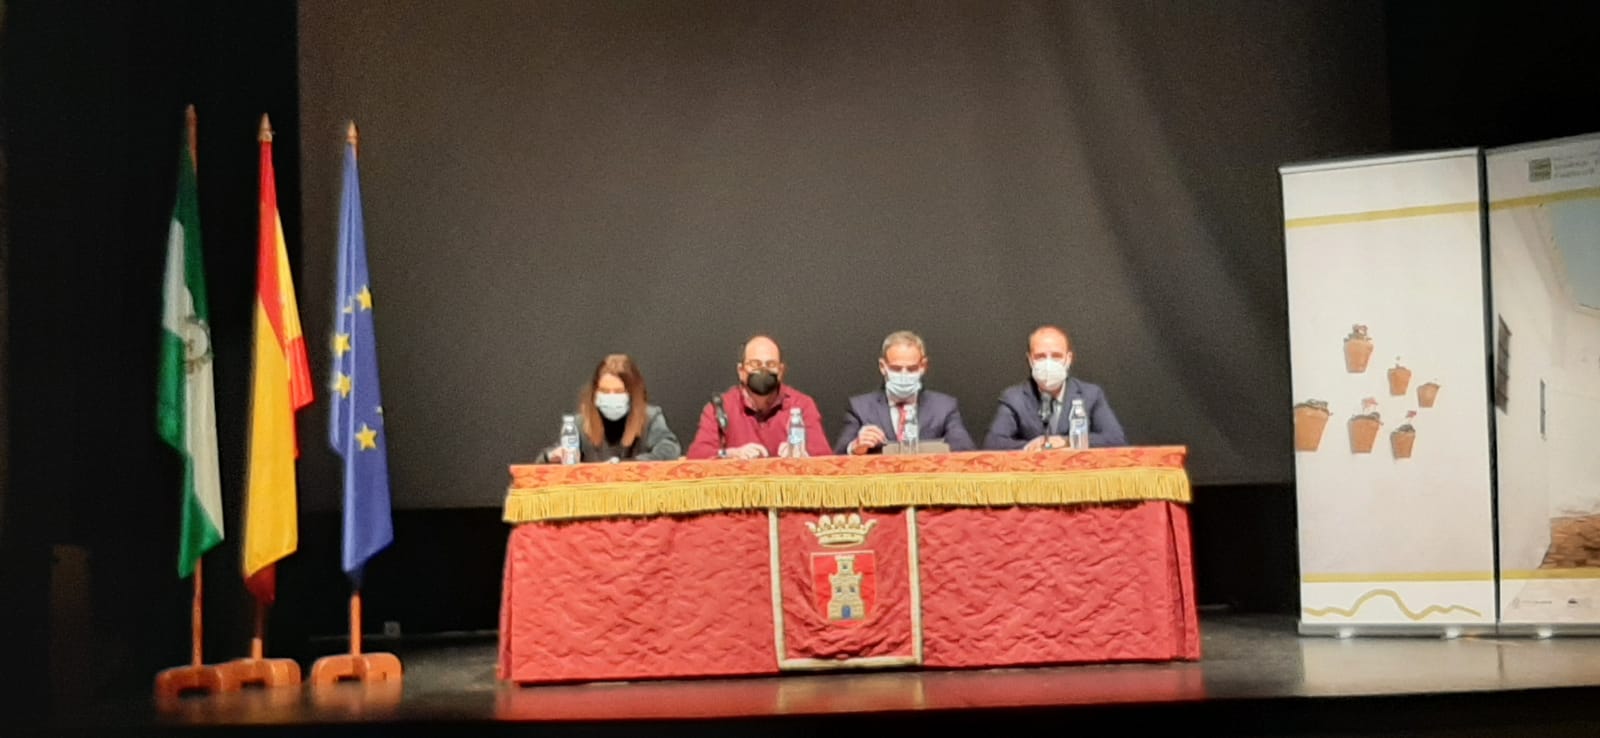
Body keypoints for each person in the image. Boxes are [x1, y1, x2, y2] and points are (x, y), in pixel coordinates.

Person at [686, 334, 831, 459]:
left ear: (781, 371)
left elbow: (824, 457)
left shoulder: (801, 405)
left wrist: (801, 453)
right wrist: (730, 454)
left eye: (770, 364)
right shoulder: (720, 407)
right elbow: (697, 456)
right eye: (755, 364)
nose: (763, 370)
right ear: (741, 371)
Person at [983, 325, 1127, 450]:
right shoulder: (1014, 398)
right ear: (1030, 360)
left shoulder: (1090, 394)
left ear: (1068, 358)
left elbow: (1115, 439)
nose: (1048, 362)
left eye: (1056, 356)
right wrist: (1033, 446)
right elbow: (993, 443)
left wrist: (1067, 442)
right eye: (1040, 356)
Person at [834, 330, 976, 455]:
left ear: (923, 366)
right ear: (883, 367)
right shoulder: (860, 408)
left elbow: (966, 453)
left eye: (912, 369)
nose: (904, 375)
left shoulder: (944, 407)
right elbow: (837, 456)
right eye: (896, 369)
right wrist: (855, 446)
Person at [541, 354, 682, 463]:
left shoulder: (650, 418)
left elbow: (669, 449)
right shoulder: (579, 424)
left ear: (632, 393)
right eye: (604, 391)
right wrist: (551, 456)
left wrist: (626, 467)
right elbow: (543, 463)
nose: (611, 396)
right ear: (595, 392)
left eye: (619, 391)